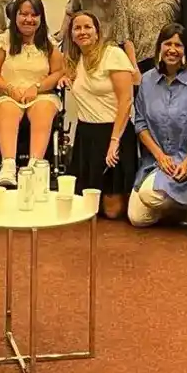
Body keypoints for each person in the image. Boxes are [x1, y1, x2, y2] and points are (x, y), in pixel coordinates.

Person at [128, 24, 187, 227]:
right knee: (137, 218)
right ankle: (179, 208)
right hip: (156, 161)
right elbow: (140, 124)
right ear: (159, 47)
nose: (172, 50)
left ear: (186, 50)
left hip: (186, 162)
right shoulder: (147, 80)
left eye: (179, 45)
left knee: (149, 196)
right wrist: (159, 156)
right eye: (168, 44)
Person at [0, 0, 66, 189]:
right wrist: (9, 88)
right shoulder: (4, 41)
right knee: (8, 110)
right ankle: (8, 166)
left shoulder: (48, 43)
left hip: (41, 94)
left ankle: (34, 168)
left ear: (40, 18)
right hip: (7, 94)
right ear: (15, 17)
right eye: (24, 14)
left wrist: (36, 88)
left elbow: (58, 72)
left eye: (34, 15)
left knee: (43, 109)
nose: (29, 19)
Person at [64, 11, 136, 220]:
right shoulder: (74, 59)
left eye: (88, 27)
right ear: (72, 34)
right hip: (86, 135)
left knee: (112, 212)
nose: (83, 32)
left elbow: (126, 100)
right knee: (86, 208)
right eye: (77, 28)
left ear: (97, 32)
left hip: (114, 131)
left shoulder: (112, 54)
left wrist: (115, 141)